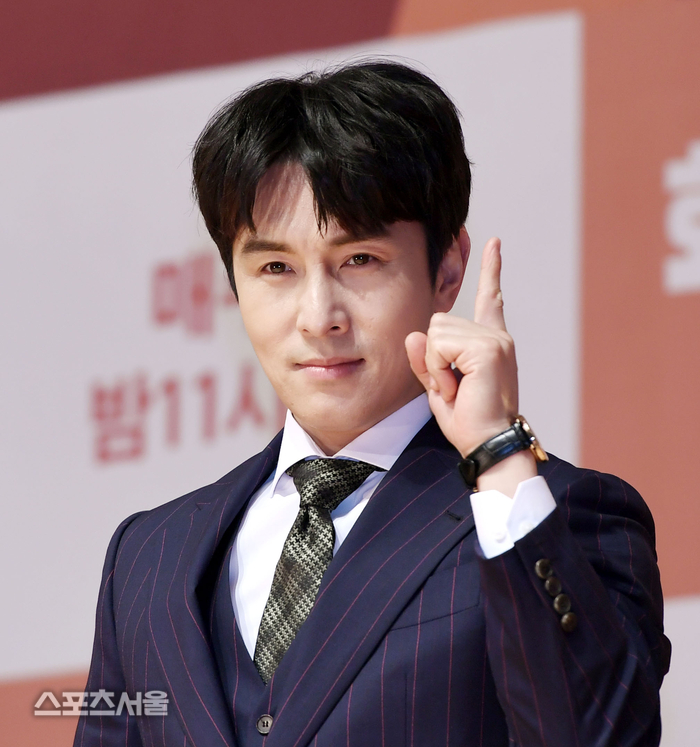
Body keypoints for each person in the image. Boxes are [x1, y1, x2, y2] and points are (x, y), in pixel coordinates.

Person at [74, 60, 670, 747]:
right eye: (275, 268)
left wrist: (499, 456)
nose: (318, 316)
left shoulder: (558, 516)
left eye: (359, 260)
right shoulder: (147, 557)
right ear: (233, 285)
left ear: (448, 269)